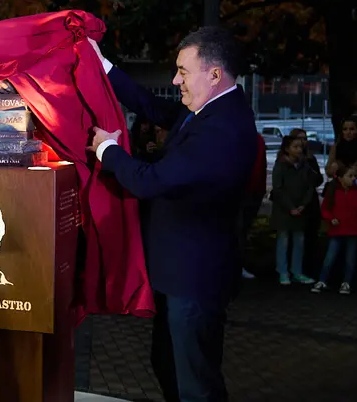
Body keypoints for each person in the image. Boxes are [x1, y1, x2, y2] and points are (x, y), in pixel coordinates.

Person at [87, 27, 257, 402]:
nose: (174, 79)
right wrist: (102, 66)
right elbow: (155, 108)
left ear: (214, 74)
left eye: (182, 70)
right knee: (167, 364)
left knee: (195, 383)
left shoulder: (223, 129)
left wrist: (108, 150)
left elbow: (152, 181)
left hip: (195, 281)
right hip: (178, 275)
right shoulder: (207, 110)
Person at [311, 164, 357, 294]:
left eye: (354, 176)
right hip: (337, 229)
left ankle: (347, 282)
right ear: (340, 178)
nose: (353, 179)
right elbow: (325, 209)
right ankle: (322, 280)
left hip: (354, 230)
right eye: (350, 176)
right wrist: (331, 218)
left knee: (350, 259)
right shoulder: (334, 191)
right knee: (330, 257)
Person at [271, 136, 322, 285]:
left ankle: (297, 271)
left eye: (300, 147)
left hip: (300, 208)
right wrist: (291, 207)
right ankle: (282, 271)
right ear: (287, 149)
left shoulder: (304, 165)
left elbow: (310, 185)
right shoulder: (280, 165)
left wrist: (303, 205)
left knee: (299, 240)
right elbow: (278, 189)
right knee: (284, 240)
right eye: (295, 147)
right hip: (284, 210)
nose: (299, 150)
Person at [240, 133, 267, 280]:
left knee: (242, 231)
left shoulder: (257, 139)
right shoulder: (234, 136)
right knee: (236, 231)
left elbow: (261, 167)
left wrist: (260, 191)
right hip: (237, 193)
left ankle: (238, 265)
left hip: (252, 192)